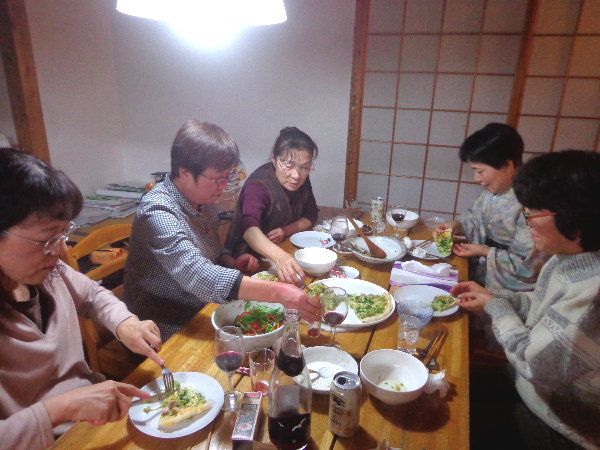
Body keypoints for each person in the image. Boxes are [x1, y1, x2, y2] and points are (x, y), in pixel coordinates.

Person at [0, 148, 163, 449]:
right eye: (46, 237)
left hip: (93, 417)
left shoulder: (50, 273)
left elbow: (93, 295)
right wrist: (60, 409)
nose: (61, 250)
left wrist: (125, 323)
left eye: (63, 234)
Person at [452, 150, 600, 449]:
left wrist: (495, 306)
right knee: (450, 381)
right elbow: (542, 305)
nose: (528, 221)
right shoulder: (569, 256)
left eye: (533, 213)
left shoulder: (593, 291)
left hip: (559, 425)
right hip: (527, 388)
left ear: (574, 216)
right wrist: (493, 297)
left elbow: (535, 365)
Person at [124, 121, 321, 341]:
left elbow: (213, 250)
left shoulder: (203, 201)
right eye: (218, 179)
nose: (225, 186)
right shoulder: (158, 211)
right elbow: (197, 274)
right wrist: (279, 292)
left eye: (227, 177)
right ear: (185, 174)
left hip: (202, 304)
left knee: (282, 333)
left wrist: (230, 261)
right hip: (162, 321)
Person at [436, 123, 549, 292]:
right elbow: (475, 218)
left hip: (509, 289)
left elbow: (529, 265)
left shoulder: (531, 202)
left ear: (507, 165)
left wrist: (485, 251)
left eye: (480, 171)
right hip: (483, 273)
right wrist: (456, 225)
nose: (476, 178)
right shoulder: (492, 192)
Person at [224, 127, 319, 284]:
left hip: (282, 249)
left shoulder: (300, 177)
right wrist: (280, 257)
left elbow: (311, 214)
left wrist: (285, 230)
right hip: (246, 261)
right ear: (274, 159)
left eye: (305, 167)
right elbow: (249, 229)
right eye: (288, 166)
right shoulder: (257, 186)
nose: (296, 175)